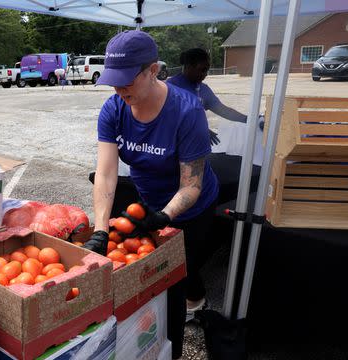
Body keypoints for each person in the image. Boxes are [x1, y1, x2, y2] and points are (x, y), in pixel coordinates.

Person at [82, 30, 219, 358]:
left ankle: (190, 313)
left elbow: (191, 185)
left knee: (182, 273)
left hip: (192, 208)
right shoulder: (114, 108)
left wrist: (165, 216)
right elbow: (105, 172)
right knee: (157, 271)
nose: (119, 89)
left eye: (127, 81)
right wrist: (101, 228)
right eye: (114, 81)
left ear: (153, 70)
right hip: (150, 200)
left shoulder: (187, 112)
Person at [167, 48, 249, 145]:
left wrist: (248, 119)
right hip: (172, 146)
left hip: (195, 149)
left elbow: (223, 110)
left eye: (207, 70)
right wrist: (199, 129)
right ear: (189, 67)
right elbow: (168, 119)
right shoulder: (170, 87)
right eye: (202, 70)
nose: (205, 74)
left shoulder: (203, 89)